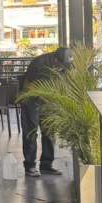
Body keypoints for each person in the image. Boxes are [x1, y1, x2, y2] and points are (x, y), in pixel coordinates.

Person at [19, 47, 71, 177]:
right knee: (31, 132)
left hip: (48, 99)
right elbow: (36, 87)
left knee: (50, 131)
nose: (63, 68)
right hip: (31, 98)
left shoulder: (66, 63)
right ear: (56, 59)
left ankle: (47, 165)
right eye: (61, 65)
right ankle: (30, 166)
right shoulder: (39, 63)